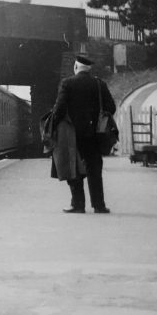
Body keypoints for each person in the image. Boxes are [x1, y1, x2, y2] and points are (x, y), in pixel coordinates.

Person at [51, 54, 116, 214]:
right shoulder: (99, 84)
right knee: (95, 168)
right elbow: (111, 107)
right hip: (95, 134)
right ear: (89, 69)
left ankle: (78, 205)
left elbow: (59, 110)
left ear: (75, 67)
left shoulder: (67, 83)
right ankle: (99, 205)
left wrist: (54, 127)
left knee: (73, 167)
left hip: (72, 135)